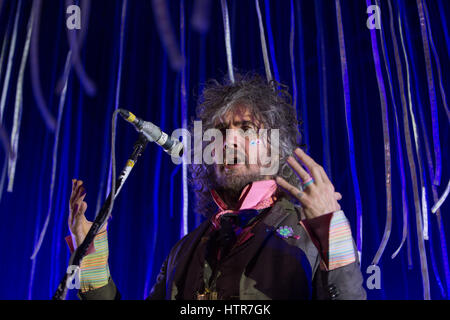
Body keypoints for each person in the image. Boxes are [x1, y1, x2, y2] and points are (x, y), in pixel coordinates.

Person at [67, 73, 366, 300]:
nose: (229, 141)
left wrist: (331, 233)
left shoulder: (311, 233)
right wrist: (91, 260)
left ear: (275, 151)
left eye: (246, 129)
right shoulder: (184, 251)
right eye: (220, 131)